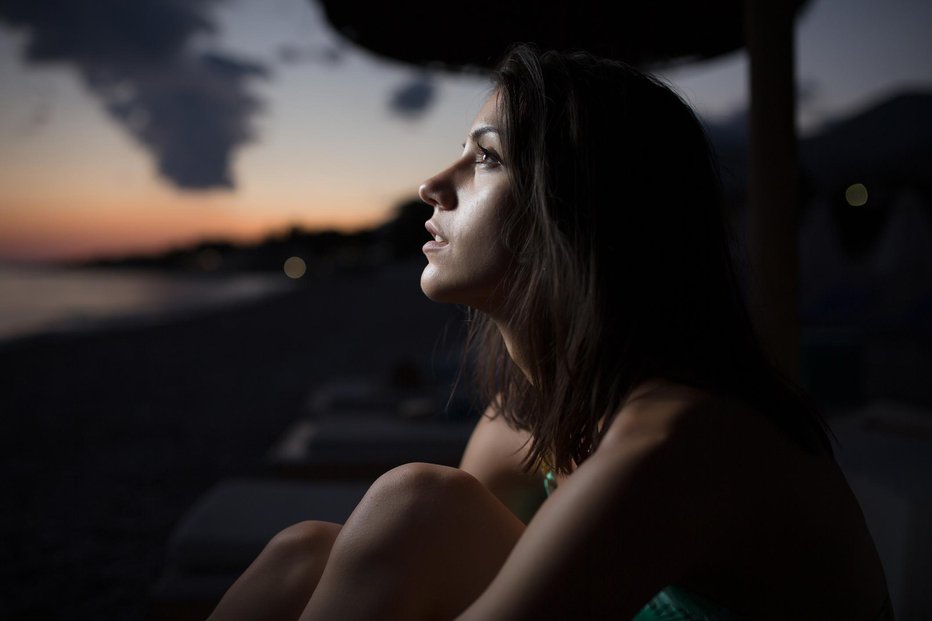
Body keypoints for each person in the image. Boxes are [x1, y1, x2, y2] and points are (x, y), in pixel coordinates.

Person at [209, 45, 892, 620]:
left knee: (416, 502)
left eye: (488, 159)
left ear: (579, 212)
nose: (431, 184)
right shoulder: (524, 421)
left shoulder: (679, 437)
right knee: (305, 551)